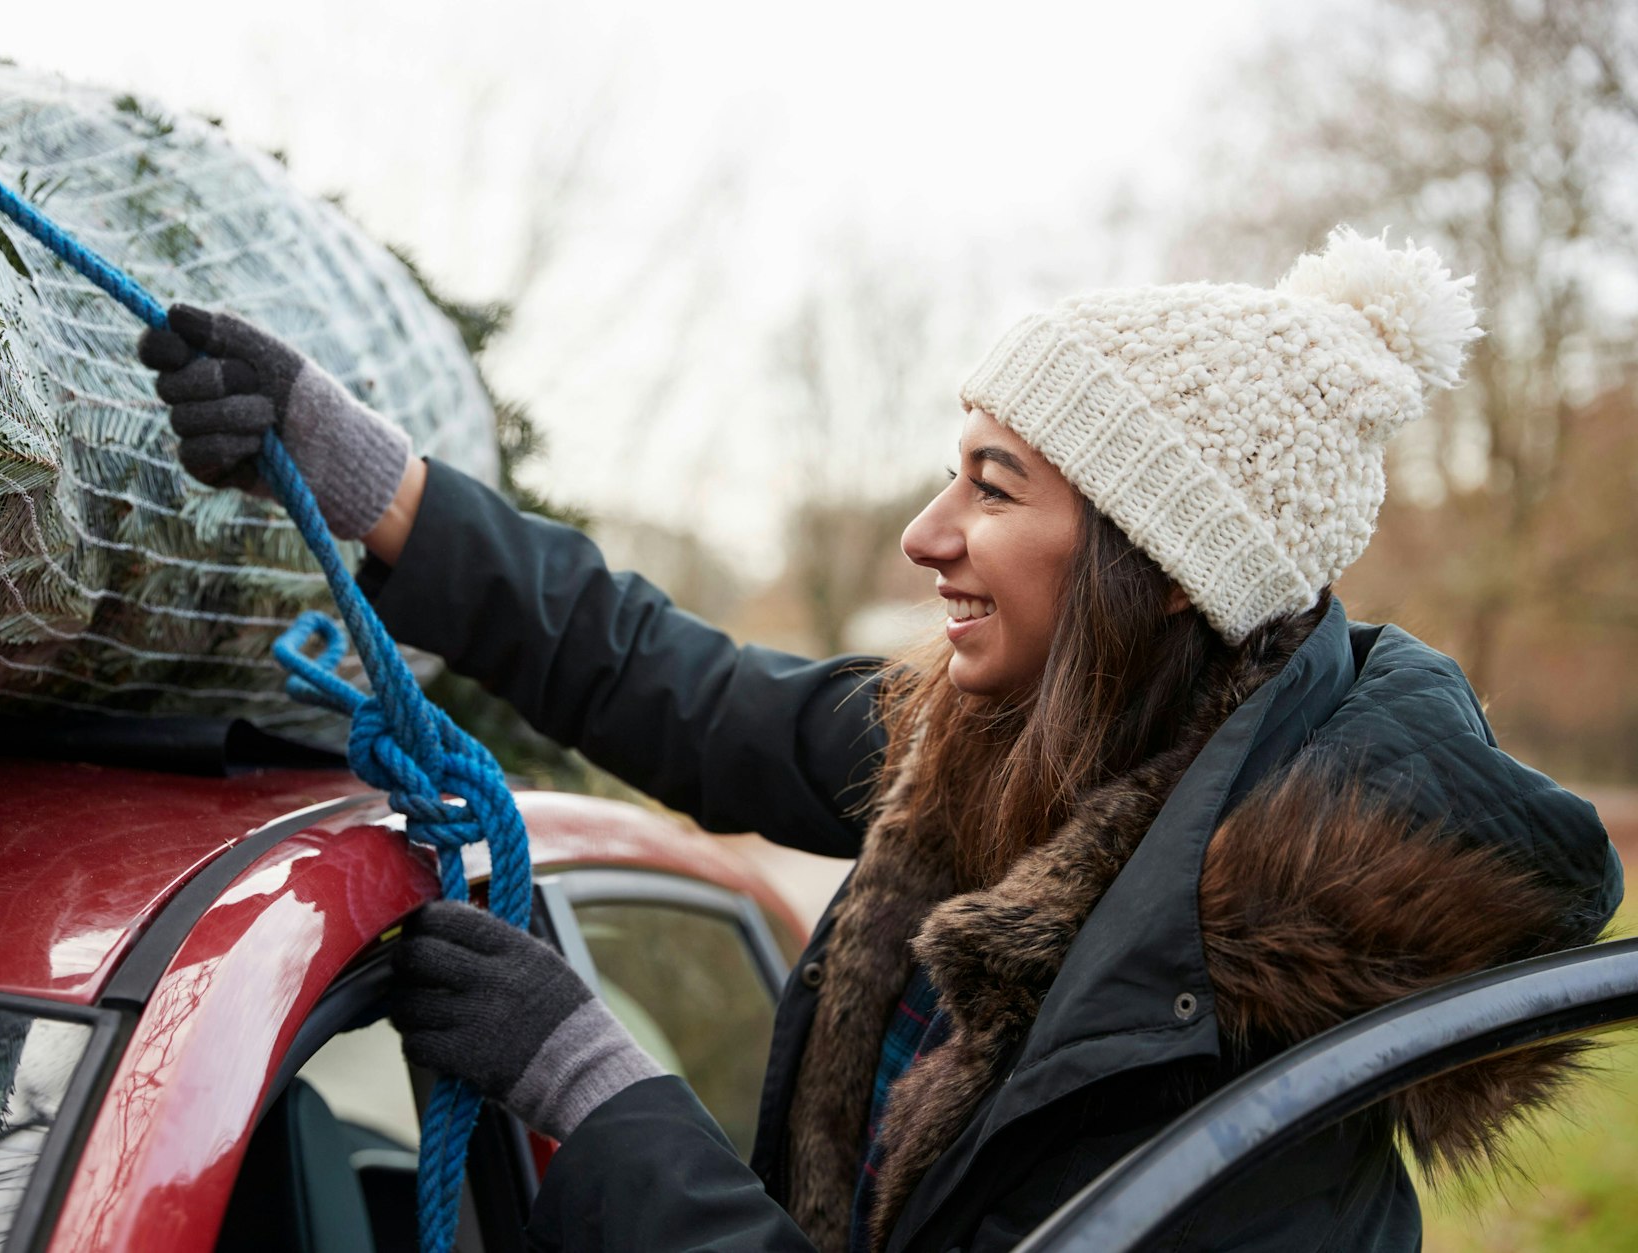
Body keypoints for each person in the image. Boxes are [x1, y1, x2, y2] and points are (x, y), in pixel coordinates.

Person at [138, 227, 1621, 1252]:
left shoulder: (1255, 1059)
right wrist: (364, 473)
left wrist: (599, 1092)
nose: (928, 534)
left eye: (993, 484)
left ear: (1162, 564)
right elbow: (687, 687)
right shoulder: (1022, 730)